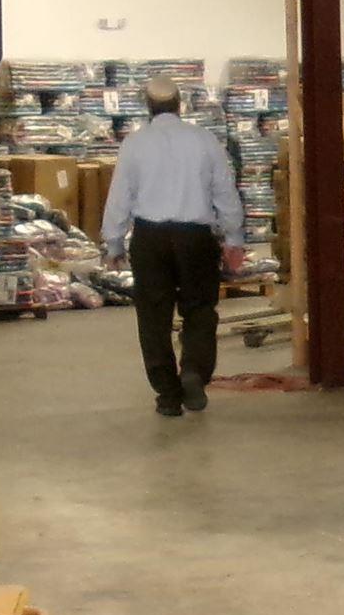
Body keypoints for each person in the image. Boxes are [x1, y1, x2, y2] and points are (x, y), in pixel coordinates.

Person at [100, 77, 246, 418]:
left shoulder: (134, 144)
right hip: (195, 237)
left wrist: (113, 243)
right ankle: (194, 370)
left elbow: (120, 197)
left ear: (148, 106)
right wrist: (234, 238)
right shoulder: (204, 140)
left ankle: (167, 394)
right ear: (180, 104)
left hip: (149, 239)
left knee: (153, 317)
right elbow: (224, 191)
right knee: (200, 309)